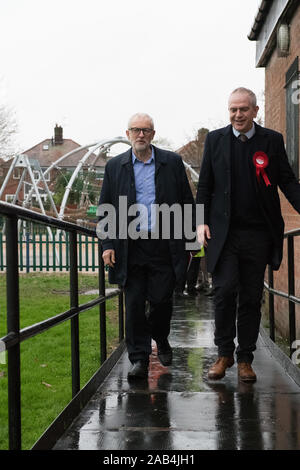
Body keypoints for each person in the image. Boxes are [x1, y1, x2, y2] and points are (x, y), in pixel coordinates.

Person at [196, 87, 300, 383]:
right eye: (233, 110)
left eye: (243, 109)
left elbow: (288, 182)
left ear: (255, 111)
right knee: (224, 291)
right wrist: (200, 222)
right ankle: (224, 353)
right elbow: (204, 187)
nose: (238, 115)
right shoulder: (215, 140)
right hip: (223, 235)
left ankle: (245, 360)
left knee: (251, 298)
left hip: (258, 234)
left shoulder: (272, 141)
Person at [99, 113, 194, 380]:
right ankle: (139, 358)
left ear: (153, 134)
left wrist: (192, 244)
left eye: (146, 130)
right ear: (128, 133)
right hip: (130, 246)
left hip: (163, 244)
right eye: (136, 130)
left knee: (162, 300)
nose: (141, 134)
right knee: (134, 303)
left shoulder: (171, 162)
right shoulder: (115, 166)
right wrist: (107, 244)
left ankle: (161, 337)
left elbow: (187, 201)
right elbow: (106, 205)